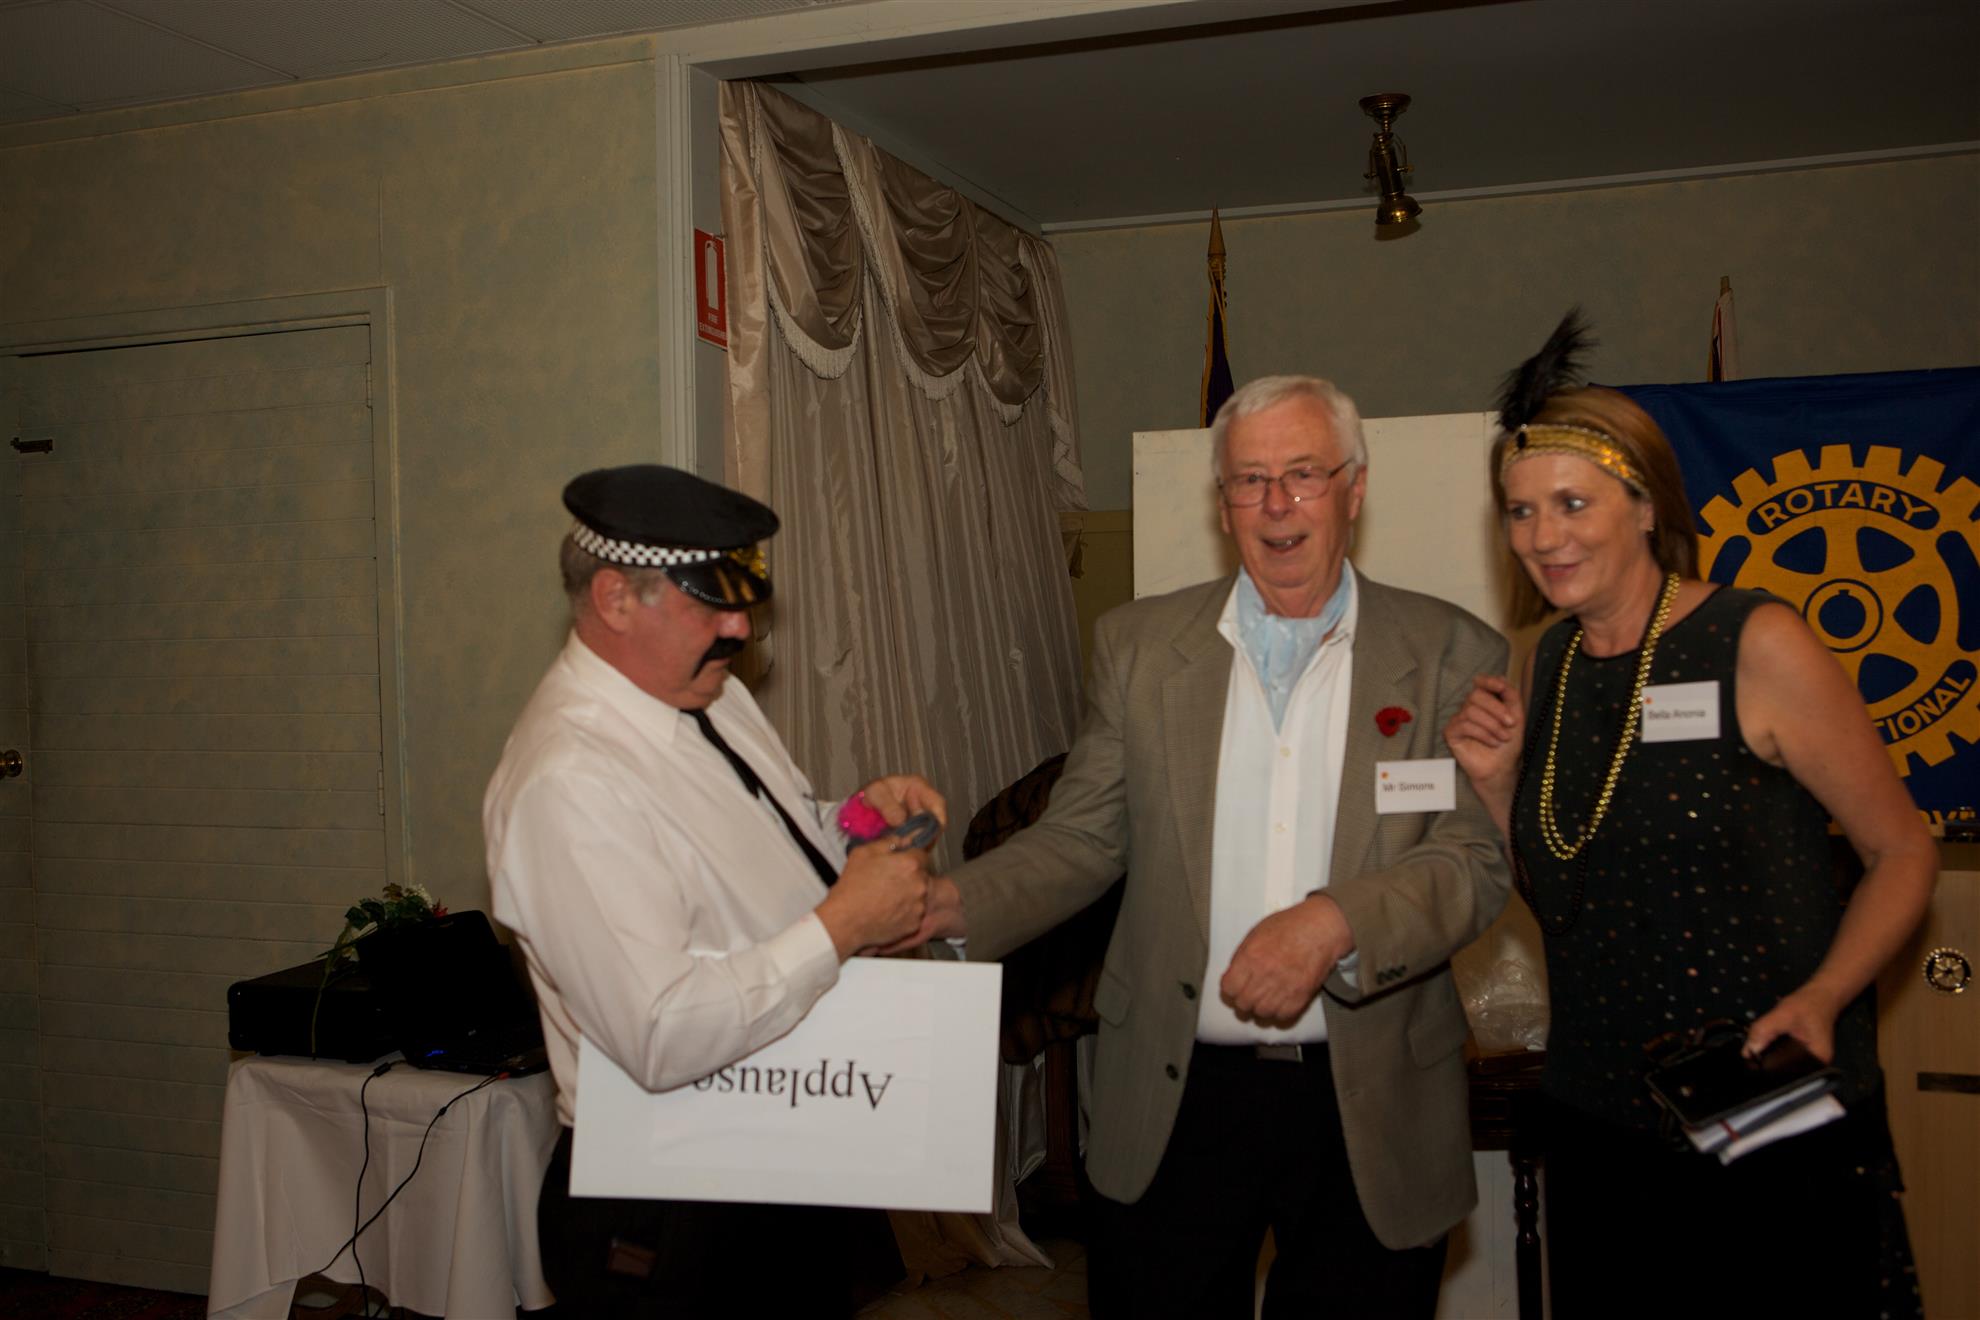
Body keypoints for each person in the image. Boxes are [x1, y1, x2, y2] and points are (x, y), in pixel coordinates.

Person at [916, 376, 1512, 1318]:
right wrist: (945, 907)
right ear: (1222, 499)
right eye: (1249, 480)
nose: (1277, 504)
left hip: (1374, 1096)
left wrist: (1334, 923)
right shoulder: (1141, 646)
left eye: (1304, 474)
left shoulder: (1452, 651)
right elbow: (1080, 836)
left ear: (1355, 488)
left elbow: (1473, 863)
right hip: (1172, 1095)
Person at [1444, 314, 1935, 1317]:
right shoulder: (1548, 661)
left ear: (1644, 505)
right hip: (1600, 1113)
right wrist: (1497, 787)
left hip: (1765, 1099)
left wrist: (1825, 998)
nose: (1543, 536)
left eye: (1572, 503)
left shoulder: (1757, 641)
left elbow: (1902, 852)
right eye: (1520, 511)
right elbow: (1567, 903)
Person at [483, 464, 945, 1316]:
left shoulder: (707, 691)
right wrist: (842, 926)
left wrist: (855, 822)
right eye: (711, 602)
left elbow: (758, 840)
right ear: (616, 599)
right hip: (670, 1205)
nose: (740, 627)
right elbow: (659, 1033)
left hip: (776, 1145)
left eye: (744, 599)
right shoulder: (568, 783)